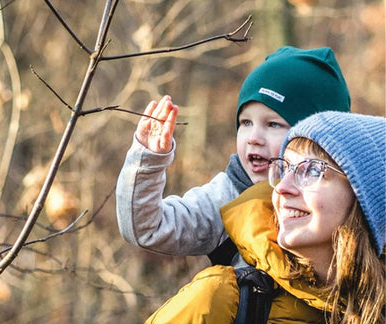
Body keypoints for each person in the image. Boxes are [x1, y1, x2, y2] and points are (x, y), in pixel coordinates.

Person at [116, 111, 386, 324]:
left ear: (368, 200)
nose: (281, 187)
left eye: (312, 170)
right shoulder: (219, 301)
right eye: (285, 168)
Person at [116, 46, 351, 262]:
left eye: (273, 124)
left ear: (315, 139)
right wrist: (148, 161)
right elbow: (148, 229)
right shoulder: (228, 195)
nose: (253, 137)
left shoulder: (341, 199)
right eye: (245, 122)